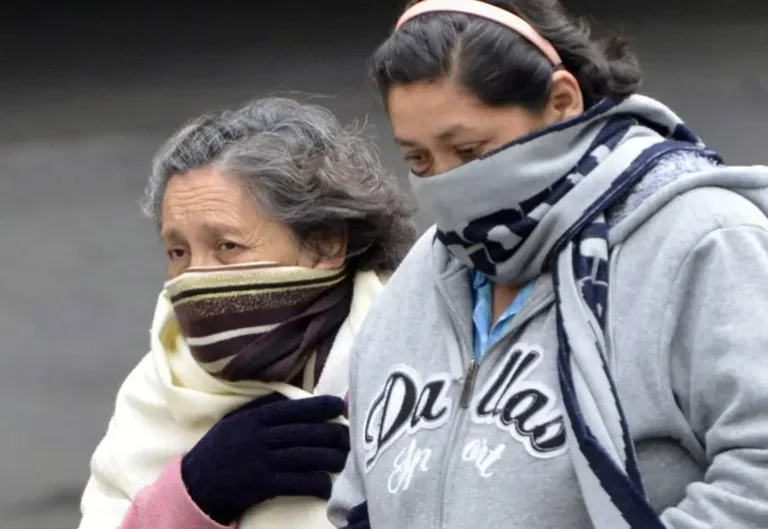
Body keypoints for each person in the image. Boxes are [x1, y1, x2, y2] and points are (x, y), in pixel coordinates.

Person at [328, 1, 768, 528]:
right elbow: (356, 499)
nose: (446, 184)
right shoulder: (427, 268)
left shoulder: (705, 238)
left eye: (469, 151)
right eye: (418, 160)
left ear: (561, 102)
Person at [77, 97, 416, 529]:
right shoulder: (156, 388)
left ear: (325, 243)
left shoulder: (418, 359)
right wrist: (196, 494)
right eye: (177, 251)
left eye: (226, 246)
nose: (195, 274)